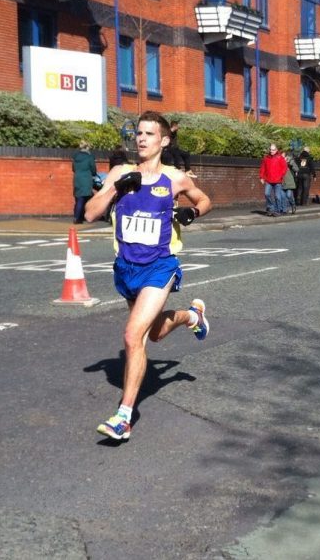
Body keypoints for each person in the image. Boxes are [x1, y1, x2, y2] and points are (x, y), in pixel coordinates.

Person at [85, 111, 212, 442]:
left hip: (159, 265)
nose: (140, 139)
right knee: (153, 335)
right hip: (126, 268)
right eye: (138, 133)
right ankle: (191, 316)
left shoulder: (175, 178)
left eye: (149, 134)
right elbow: (89, 214)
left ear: (164, 140)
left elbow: (204, 199)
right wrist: (115, 190)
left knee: (132, 336)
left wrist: (191, 212)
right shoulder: (121, 172)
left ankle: (124, 416)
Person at [259, 143, 289, 216]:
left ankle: (277, 211)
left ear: (276, 150)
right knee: (267, 194)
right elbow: (263, 168)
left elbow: (284, 168)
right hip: (268, 180)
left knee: (277, 197)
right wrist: (261, 177)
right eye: (270, 149)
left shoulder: (280, 158)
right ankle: (271, 208)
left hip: (277, 181)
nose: (271, 151)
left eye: (273, 150)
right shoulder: (266, 158)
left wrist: (280, 176)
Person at [72, 141, 97, 224]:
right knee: (83, 199)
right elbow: (93, 169)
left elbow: (73, 169)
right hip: (86, 179)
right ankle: (77, 218)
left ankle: (78, 216)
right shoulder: (89, 157)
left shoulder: (75, 157)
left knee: (78, 198)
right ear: (87, 148)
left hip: (77, 179)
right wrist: (93, 174)